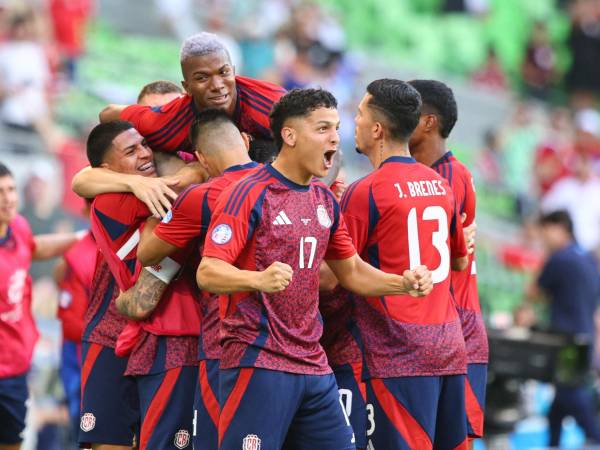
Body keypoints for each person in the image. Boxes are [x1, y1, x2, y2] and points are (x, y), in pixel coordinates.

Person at [197, 88, 433, 450]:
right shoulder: (248, 193)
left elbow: (351, 271)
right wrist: (256, 279)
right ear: (289, 136)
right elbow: (208, 271)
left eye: (337, 128)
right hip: (259, 361)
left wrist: (402, 284)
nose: (336, 138)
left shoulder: (324, 200)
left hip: (313, 363)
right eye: (323, 128)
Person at [346, 79, 469, 450]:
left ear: (377, 129)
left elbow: (336, 273)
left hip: (398, 351)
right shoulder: (439, 183)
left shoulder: (366, 190)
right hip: (448, 344)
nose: (354, 121)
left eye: (359, 113)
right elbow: (460, 257)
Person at [135, 108, 263, 450]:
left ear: (202, 159)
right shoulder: (282, 185)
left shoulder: (201, 197)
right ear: (247, 142)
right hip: (287, 347)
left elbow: (147, 253)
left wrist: (157, 207)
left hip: (224, 341)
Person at [79, 121, 197, 450]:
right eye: (132, 151)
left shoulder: (134, 190)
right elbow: (194, 180)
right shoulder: (112, 201)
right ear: (107, 169)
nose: (146, 153)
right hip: (133, 332)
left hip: (164, 333)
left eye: (147, 145)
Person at [408, 79, 488, 446]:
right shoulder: (434, 176)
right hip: (439, 335)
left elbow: (444, 262)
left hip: (455, 332)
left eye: (405, 113)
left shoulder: (446, 178)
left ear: (427, 122)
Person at [0, 162, 82, 450]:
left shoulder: (19, 227)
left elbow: (35, 247)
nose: (8, 198)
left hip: (15, 366)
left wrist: (80, 238)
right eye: (0, 192)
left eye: (10, 189)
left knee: (12, 441)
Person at [99, 32, 286, 154]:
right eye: (202, 78)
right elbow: (106, 114)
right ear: (186, 87)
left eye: (224, 72)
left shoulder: (273, 103)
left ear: (234, 71)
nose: (217, 85)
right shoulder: (167, 123)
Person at [523, 210, 600, 446]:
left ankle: (595, 436)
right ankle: (553, 443)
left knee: (570, 393)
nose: (543, 238)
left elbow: (533, 292)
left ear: (559, 228)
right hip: (584, 337)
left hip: (565, 339)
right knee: (560, 402)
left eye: (545, 231)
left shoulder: (559, 258)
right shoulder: (587, 258)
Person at [53, 199, 97, 441]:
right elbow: (71, 325)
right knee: (82, 434)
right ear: (86, 211)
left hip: (109, 359)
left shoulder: (132, 243)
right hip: (82, 362)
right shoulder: (78, 255)